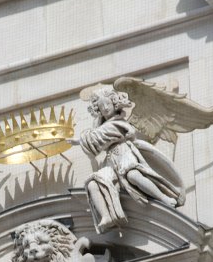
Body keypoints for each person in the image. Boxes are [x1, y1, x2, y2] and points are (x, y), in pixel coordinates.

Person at [78, 88, 185, 233]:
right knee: (92, 184)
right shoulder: (102, 127)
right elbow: (97, 141)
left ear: (114, 104)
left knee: (133, 175)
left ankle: (163, 198)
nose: (105, 109)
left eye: (107, 105)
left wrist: (83, 139)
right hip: (111, 161)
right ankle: (106, 217)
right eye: (101, 108)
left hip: (124, 154)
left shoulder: (118, 123)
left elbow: (103, 138)